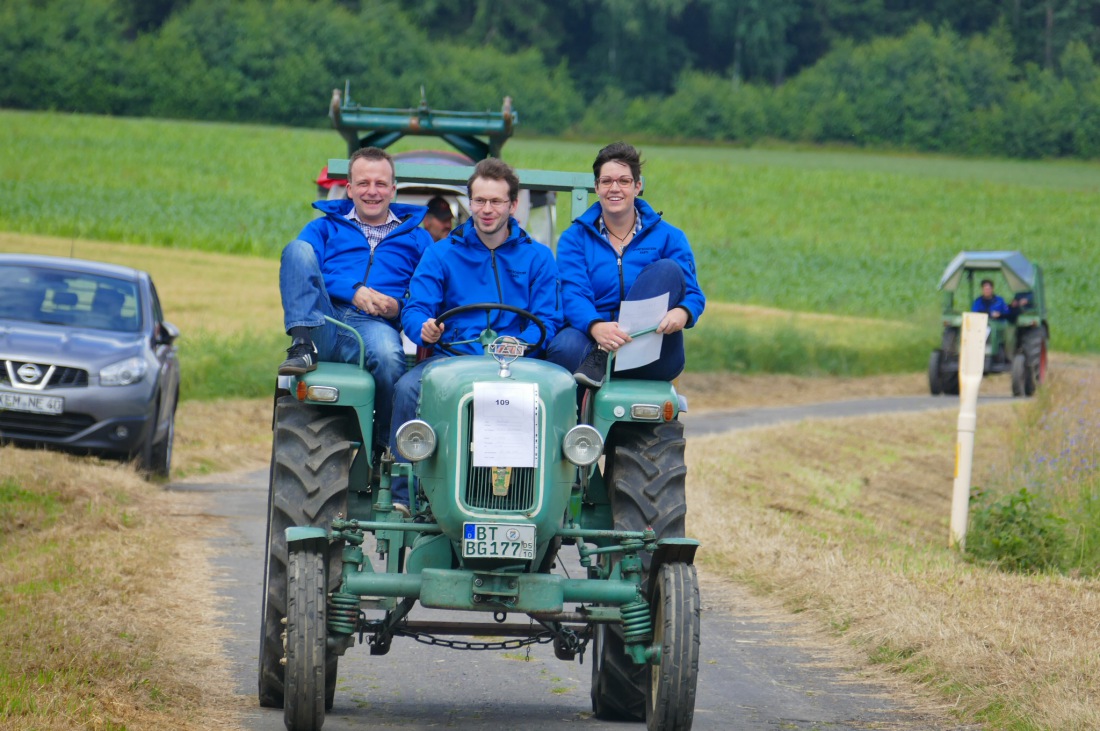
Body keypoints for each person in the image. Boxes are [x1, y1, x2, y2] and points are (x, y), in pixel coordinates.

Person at [389, 158, 562, 512]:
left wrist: (523, 343)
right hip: (453, 360)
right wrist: (423, 327)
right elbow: (416, 307)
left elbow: (547, 319)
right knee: (407, 387)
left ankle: (556, 491)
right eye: (479, 201)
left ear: (513, 205)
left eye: (496, 201)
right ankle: (403, 492)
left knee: (558, 393)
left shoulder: (538, 258)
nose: (486, 210)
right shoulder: (442, 253)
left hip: (516, 363)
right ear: (469, 203)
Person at [279, 146, 433, 449]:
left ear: (393, 189)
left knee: (390, 359)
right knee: (297, 249)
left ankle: (385, 444)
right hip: (322, 317)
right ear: (350, 189)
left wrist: (396, 307)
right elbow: (304, 271)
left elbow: (425, 292)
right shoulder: (323, 227)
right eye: (363, 183)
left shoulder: (417, 238)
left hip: (372, 326)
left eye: (380, 184)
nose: (372, 191)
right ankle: (300, 345)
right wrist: (352, 290)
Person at [546, 141, 705, 389]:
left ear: (637, 186)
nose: (615, 188)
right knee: (563, 348)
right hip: (592, 342)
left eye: (624, 181)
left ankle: (610, 357)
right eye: (607, 181)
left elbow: (694, 293)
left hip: (650, 344)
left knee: (668, 270)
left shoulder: (669, 237)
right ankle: (577, 419)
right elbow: (573, 292)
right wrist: (596, 327)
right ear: (597, 187)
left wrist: (683, 312)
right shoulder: (574, 239)